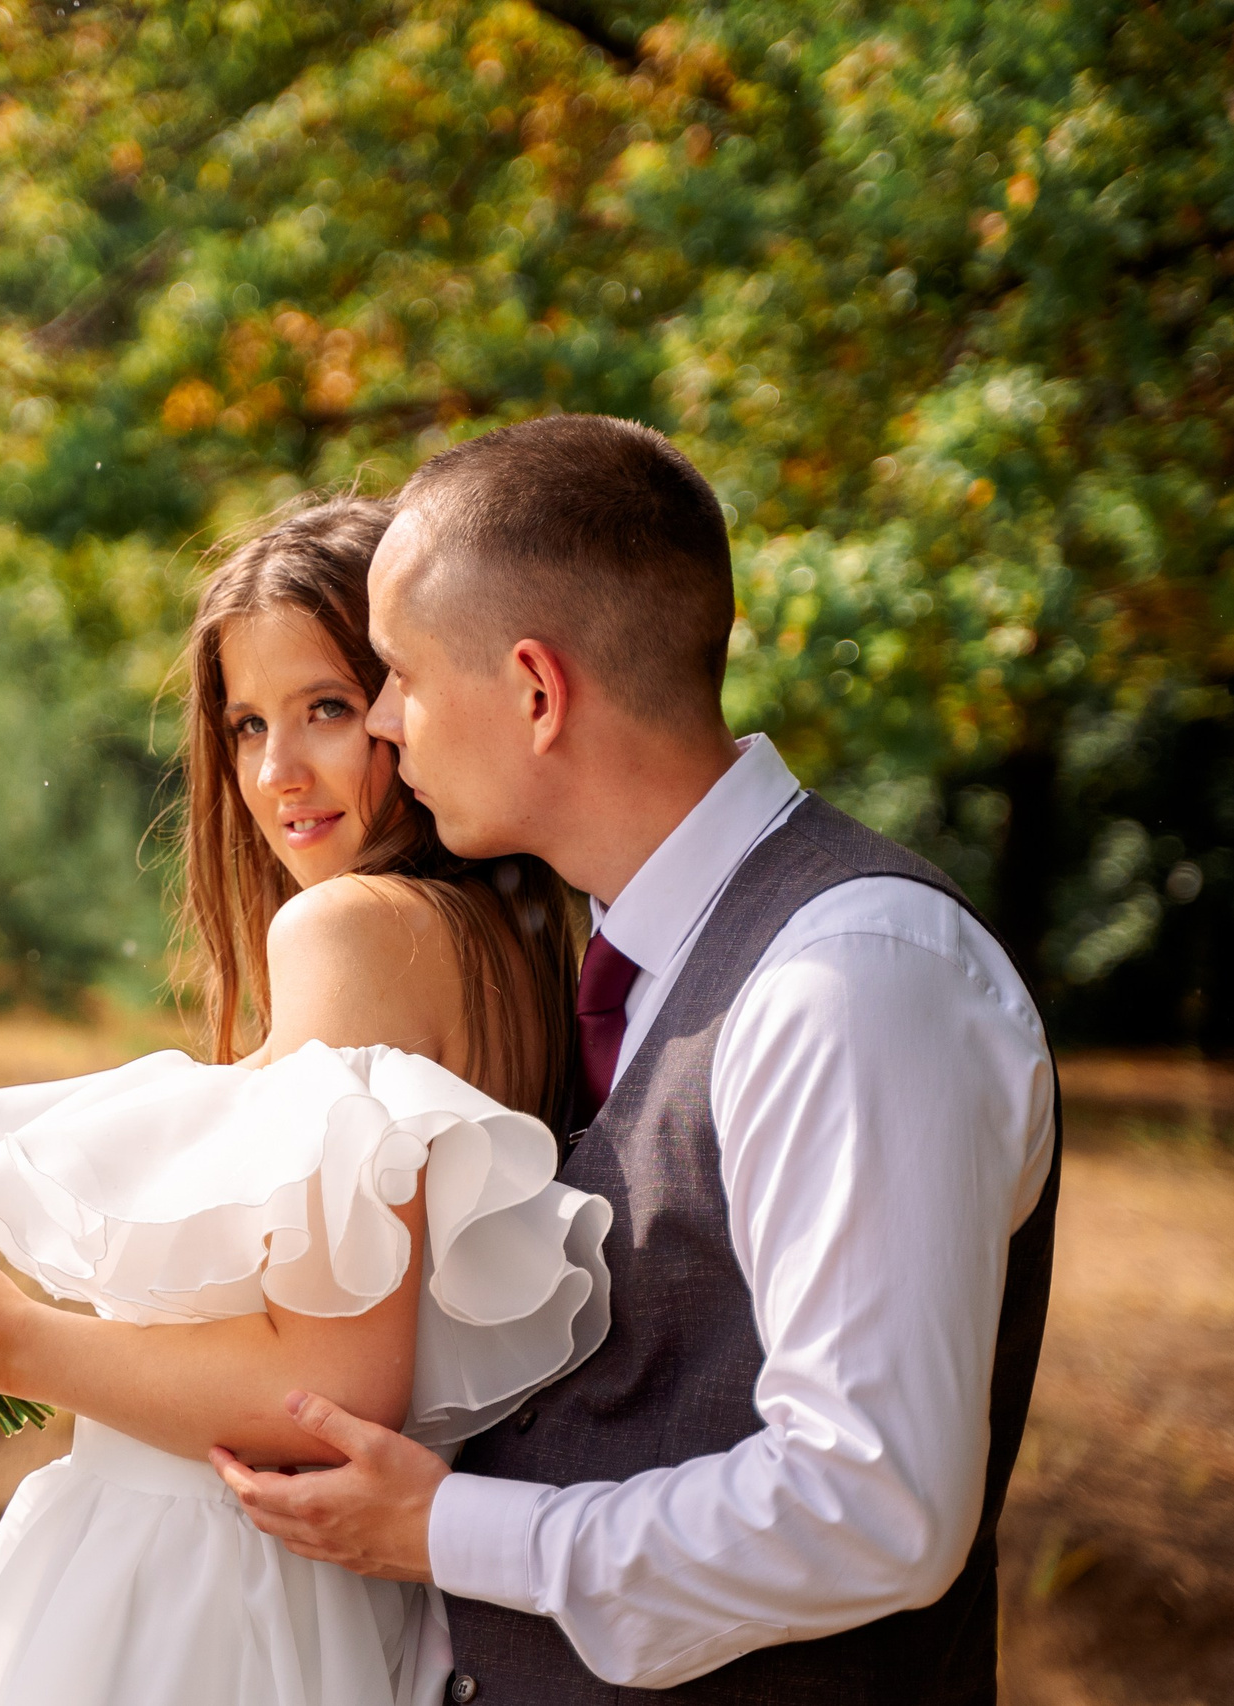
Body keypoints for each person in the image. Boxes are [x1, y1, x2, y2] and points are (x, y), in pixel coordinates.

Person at [205, 414, 1062, 1704]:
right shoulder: (621, 960)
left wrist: (451, 1529)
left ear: (536, 692)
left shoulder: (853, 980)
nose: (382, 720)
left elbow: (872, 1501)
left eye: (401, 676)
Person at [0, 496, 616, 1706]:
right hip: (294, 1593)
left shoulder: (350, 929)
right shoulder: (500, 941)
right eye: (248, 722)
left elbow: (329, 1391)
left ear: (410, 700)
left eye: (327, 708)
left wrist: (9, 1337)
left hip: (211, 1598)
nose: (276, 771)